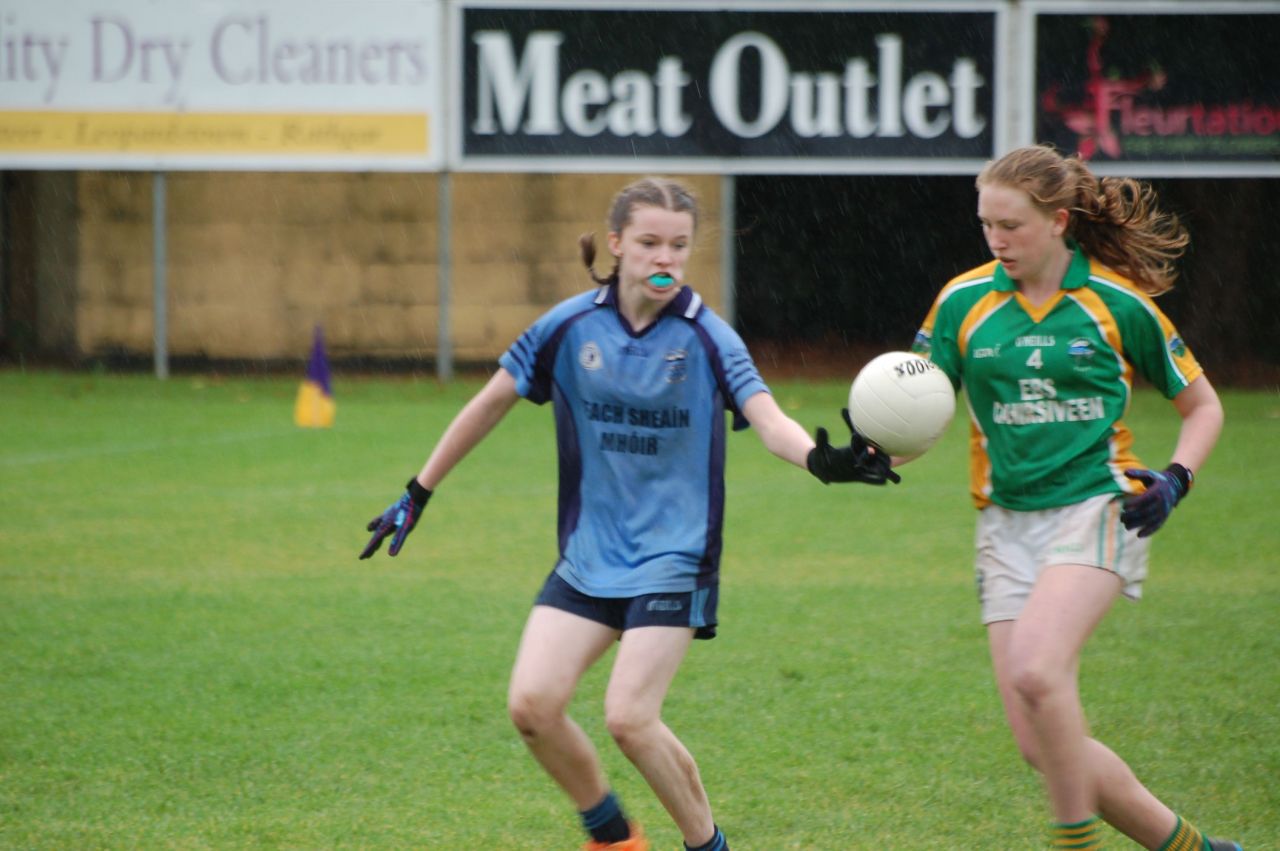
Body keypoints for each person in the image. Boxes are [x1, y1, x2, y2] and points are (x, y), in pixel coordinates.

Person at [359, 176, 897, 851]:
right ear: (616, 244)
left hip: (675, 554)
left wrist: (825, 460)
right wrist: (420, 490)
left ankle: (709, 845)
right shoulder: (569, 326)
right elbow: (489, 402)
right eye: (648, 242)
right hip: (590, 554)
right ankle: (613, 836)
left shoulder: (708, 338)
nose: (664, 257)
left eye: (678, 244)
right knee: (531, 705)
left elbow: (768, 420)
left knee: (629, 716)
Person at [911, 144, 1237, 851]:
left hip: (1098, 506)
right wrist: (872, 451)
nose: (997, 241)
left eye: (1012, 225)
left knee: (1036, 667)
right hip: (1003, 525)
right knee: (1041, 742)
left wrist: (1175, 479)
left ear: (1059, 220)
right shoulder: (963, 301)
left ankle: (1074, 841)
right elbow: (920, 416)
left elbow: (1202, 406)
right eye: (986, 225)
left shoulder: (1116, 304)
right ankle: (1199, 849)